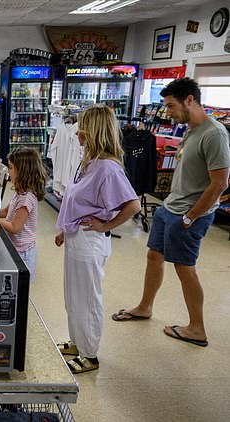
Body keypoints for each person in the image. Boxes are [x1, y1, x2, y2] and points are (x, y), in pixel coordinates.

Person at [112, 78, 230, 348]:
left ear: (190, 100)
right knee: (154, 256)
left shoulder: (215, 134)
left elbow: (221, 183)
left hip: (189, 214)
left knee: (184, 267)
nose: (167, 112)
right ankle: (145, 306)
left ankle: (197, 328)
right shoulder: (190, 129)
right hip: (170, 207)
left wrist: (191, 216)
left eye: (171, 106)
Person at [54, 104, 141, 374]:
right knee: (73, 296)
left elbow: (133, 205)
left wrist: (107, 224)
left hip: (90, 241)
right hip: (76, 238)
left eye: (82, 126)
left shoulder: (107, 168)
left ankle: (90, 355)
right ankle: (77, 342)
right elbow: (76, 199)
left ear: (94, 131)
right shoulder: (88, 161)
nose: (77, 131)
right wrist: (64, 228)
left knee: (88, 298)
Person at [0, 148, 48, 283]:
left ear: (22, 171)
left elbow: (15, 227)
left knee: (19, 291)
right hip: (16, 249)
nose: (9, 171)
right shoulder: (20, 192)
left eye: (11, 168)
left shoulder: (26, 198)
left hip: (23, 254)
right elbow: (5, 212)